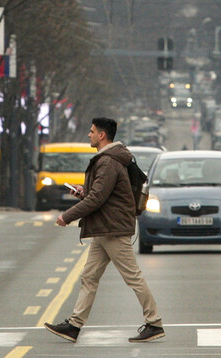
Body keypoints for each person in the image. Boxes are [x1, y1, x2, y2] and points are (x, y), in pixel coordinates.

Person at [45, 117, 164, 344]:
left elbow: (98, 198)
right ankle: (74, 325)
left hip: (113, 229)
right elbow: (101, 194)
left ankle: (154, 322)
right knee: (89, 277)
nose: (88, 135)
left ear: (102, 135)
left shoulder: (108, 162)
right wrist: (83, 192)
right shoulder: (108, 160)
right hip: (104, 227)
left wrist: (67, 216)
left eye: (91, 132)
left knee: (133, 277)